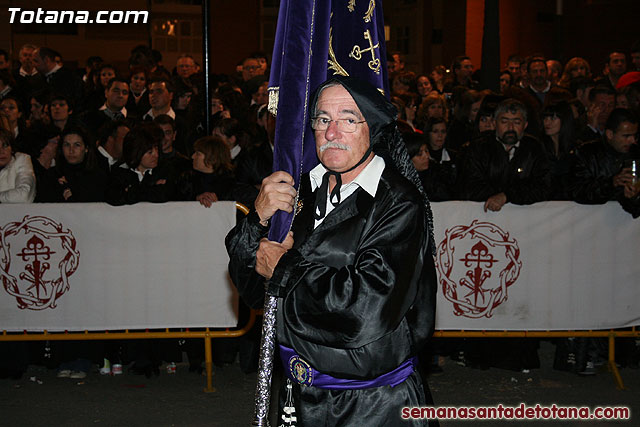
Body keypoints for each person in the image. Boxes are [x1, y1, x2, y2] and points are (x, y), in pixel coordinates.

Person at [226, 76, 436, 426]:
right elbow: (252, 291)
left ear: (374, 128)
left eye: (348, 119)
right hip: (301, 398)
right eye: (323, 119)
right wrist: (258, 220)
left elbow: (365, 310)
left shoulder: (398, 204)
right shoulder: (299, 190)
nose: (332, 132)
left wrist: (285, 268)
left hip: (371, 405)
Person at [457, 98, 552, 210]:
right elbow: (470, 187)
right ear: (494, 123)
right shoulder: (478, 148)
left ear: (525, 125)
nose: (510, 128)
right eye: (504, 122)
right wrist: (498, 197)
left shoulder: (534, 148)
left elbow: (543, 187)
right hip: (484, 215)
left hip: (526, 217)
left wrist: (507, 196)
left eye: (517, 122)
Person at [570, 108, 640, 217]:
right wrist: (611, 183)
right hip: (589, 222)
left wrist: (634, 196)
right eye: (626, 136)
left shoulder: (636, 154)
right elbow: (577, 192)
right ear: (610, 134)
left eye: (634, 135)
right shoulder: (586, 153)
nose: (632, 140)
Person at [0, 128, 36, 203]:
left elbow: (24, 196)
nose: (1, 151)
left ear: (12, 148)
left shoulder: (21, 159)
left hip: (17, 214)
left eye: (5, 145)